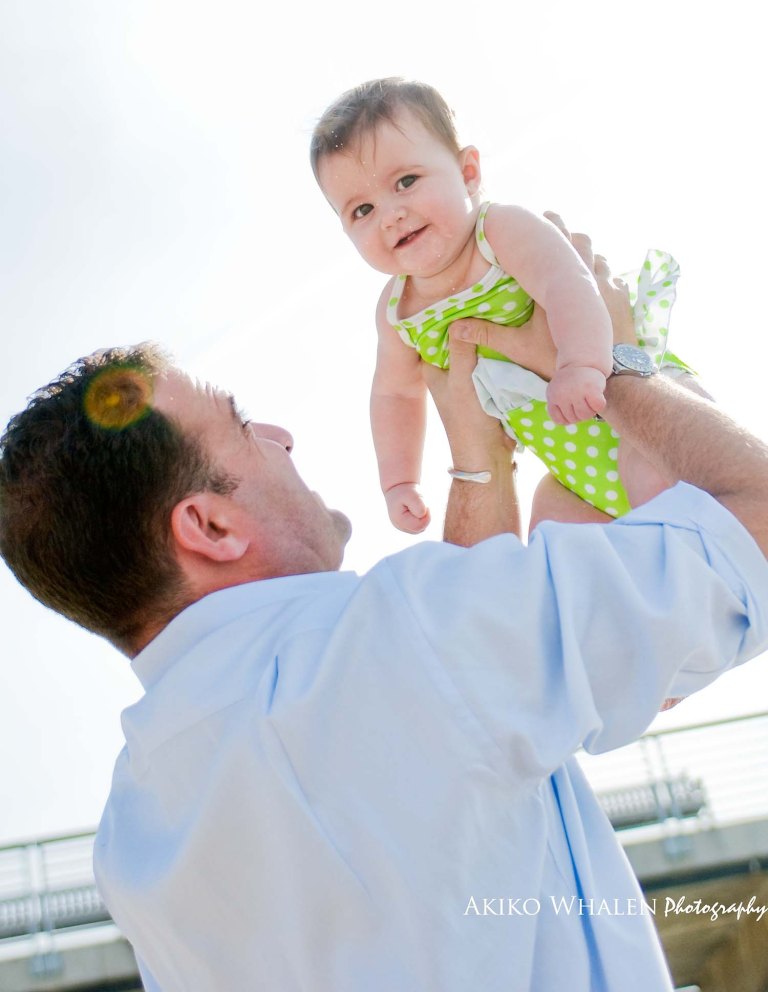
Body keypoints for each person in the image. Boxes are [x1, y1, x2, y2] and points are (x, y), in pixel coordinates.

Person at [1, 230, 767, 992]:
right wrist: (611, 360)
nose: (280, 435)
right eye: (241, 426)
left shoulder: (131, 845)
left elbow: (448, 740)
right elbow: (757, 523)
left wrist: (477, 460)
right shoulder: (409, 639)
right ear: (210, 527)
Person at [311, 77, 696, 533]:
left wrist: (581, 364)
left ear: (468, 173)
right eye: (362, 210)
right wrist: (399, 482)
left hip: (639, 406)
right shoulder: (397, 311)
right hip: (569, 463)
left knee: (662, 491)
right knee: (552, 532)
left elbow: (568, 283)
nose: (390, 215)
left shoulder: (497, 232)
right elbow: (395, 394)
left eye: (406, 181)